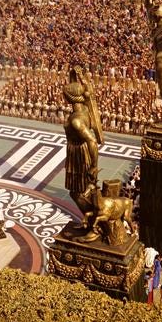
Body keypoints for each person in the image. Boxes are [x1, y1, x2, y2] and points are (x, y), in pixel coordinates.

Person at [62, 67, 104, 225]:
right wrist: (77, 75)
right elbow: (87, 91)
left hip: (79, 154)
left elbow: (92, 141)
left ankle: (92, 219)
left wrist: (94, 166)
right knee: (81, 190)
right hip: (79, 151)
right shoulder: (86, 107)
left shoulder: (76, 120)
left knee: (77, 192)